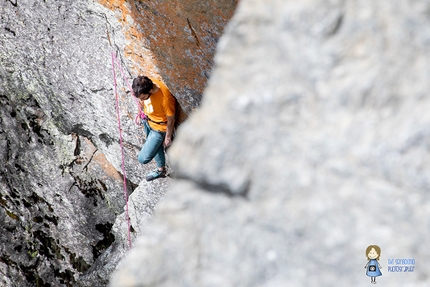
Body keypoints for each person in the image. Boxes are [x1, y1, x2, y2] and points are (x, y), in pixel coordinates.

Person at [132, 75, 176, 181]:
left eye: (143, 97)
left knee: (142, 159)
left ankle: (161, 169)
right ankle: (161, 170)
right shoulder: (145, 85)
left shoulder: (165, 99)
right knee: (155, 146)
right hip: (148, 121)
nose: (141, 99)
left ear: (151, 90)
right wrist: (140, 113)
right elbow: (142, 101)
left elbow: (171, 120)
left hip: (159, 129)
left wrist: (168, 137)